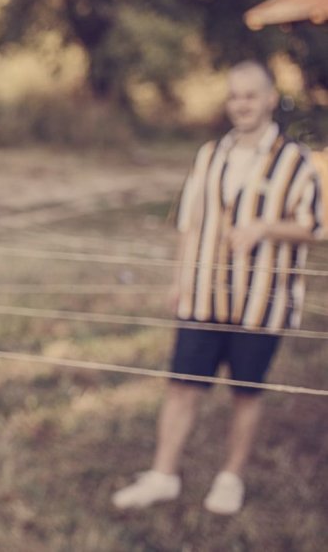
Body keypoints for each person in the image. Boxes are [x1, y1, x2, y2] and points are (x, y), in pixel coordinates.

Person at [112, 60, 324, 515]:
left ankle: (231, 478)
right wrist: (179, 280)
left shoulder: (294, 160)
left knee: (245, 391)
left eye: (250, 96)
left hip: (261, 303)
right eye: (233, 96)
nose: (240, 105)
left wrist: (266, 227)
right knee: (181, 387)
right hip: (203, 295)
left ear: (270, 99)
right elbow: (190, 224)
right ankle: (163, 474)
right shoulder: (209, 154)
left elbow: (314, 224)